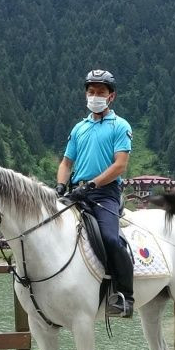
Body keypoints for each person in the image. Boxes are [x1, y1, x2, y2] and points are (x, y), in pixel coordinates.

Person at [56, 69, 135, 317]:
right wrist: (60, 186)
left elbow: (120, 165)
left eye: (101, 92)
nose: (95, 96)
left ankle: (125, 296)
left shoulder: (120, 125)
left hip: (105, 193)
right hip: (77, 192)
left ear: (111, 96)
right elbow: (66, 163)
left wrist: (92, 184)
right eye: (91, 92)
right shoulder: (79, 128)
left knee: (110, 238)